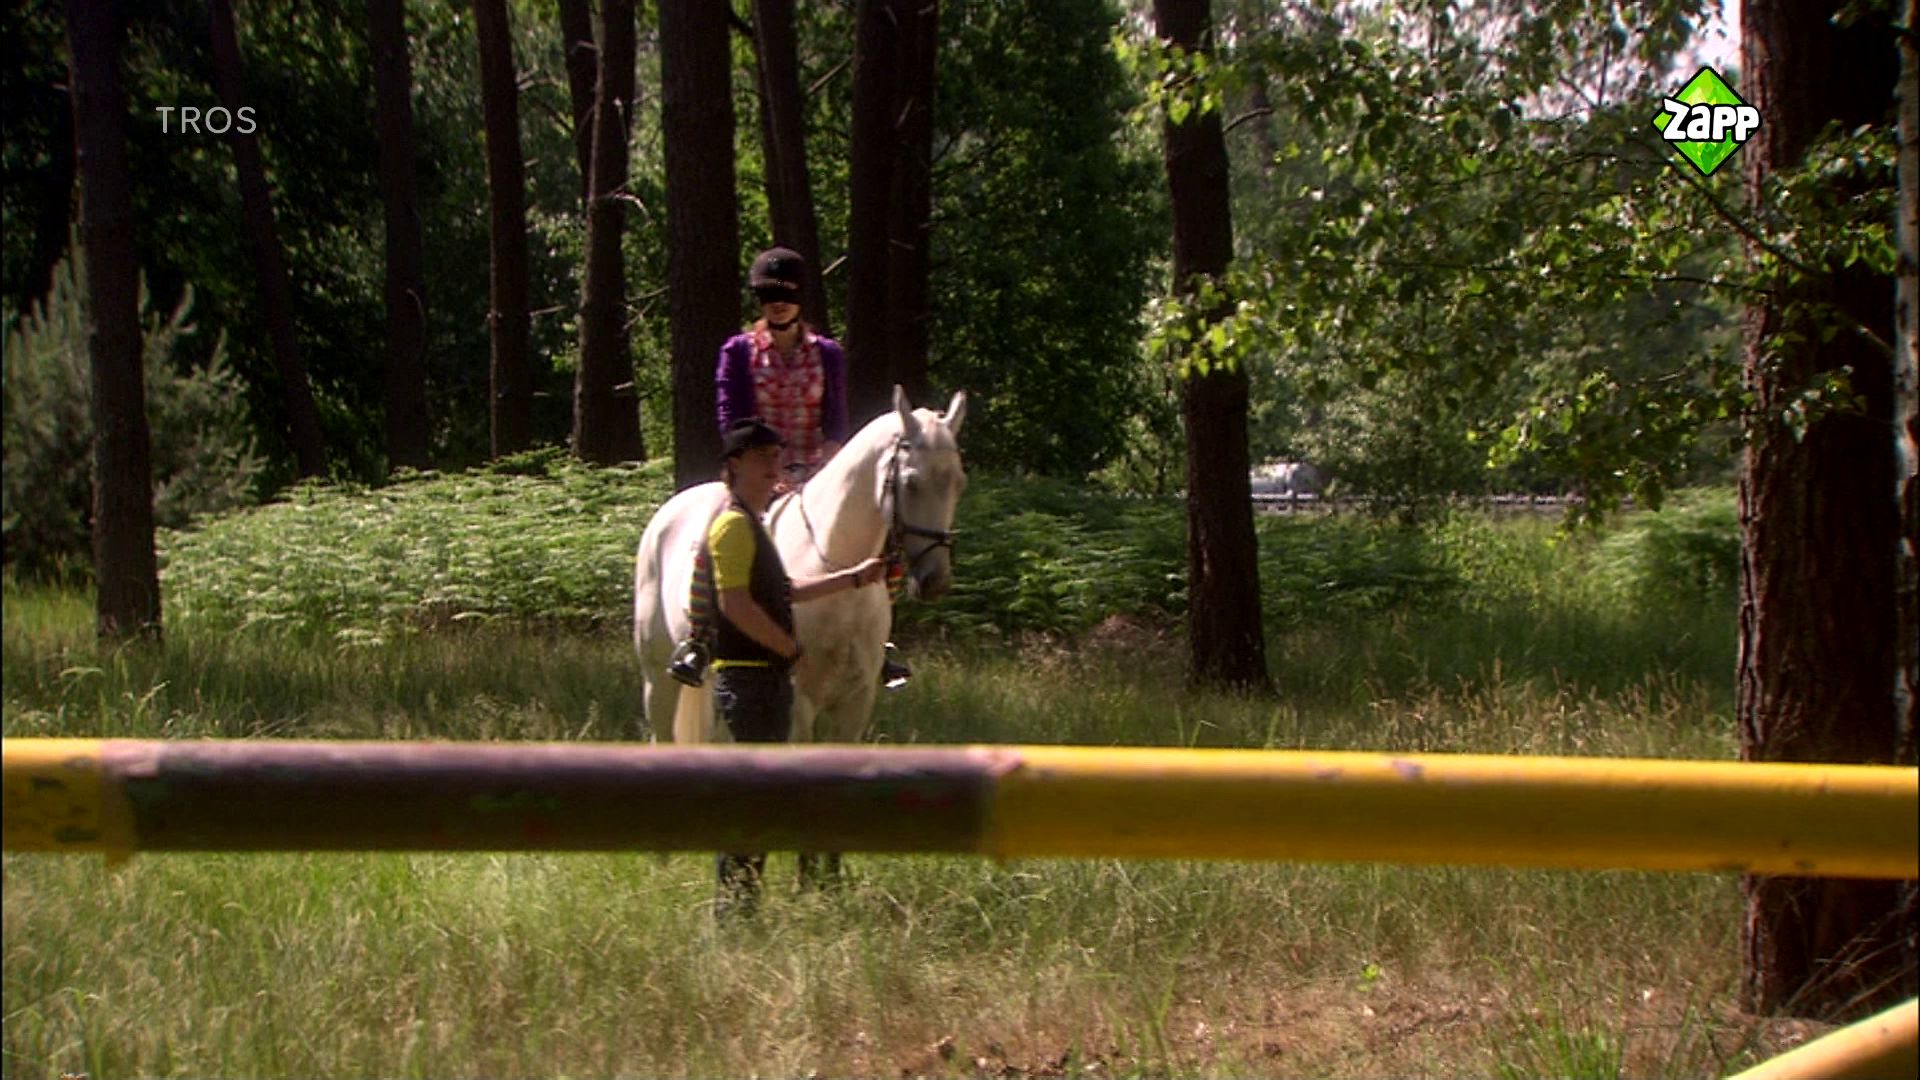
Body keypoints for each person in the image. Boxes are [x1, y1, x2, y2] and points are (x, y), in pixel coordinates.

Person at [670, 245, 911, 689]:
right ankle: (699, 638)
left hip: (819, 470)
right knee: (709, 533)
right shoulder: (738, 351)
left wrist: (832, 458)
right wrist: (764, 470)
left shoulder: (828, 353)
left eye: (785, 294)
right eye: (768, 295)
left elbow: (835, 415)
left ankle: (882, 640)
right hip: (755, 469)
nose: (777, 303)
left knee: (886, 538)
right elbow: (731, 417)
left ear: (800, 298)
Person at [705, 418, 885, 919]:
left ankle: (745, 903)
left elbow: (783, 591)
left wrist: (852, 579)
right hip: (747, 678)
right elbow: (735, 604)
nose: (774, 468)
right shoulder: (732, 527)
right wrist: (792, 650)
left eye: (776, 458)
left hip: (766, 679)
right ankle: (733, 909)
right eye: (762, 459)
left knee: (763, 793)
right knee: (751, 794)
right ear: (734, 465)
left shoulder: (756, 527)